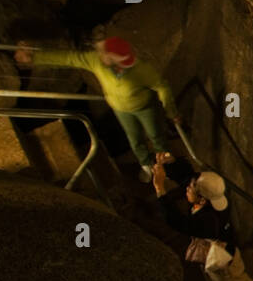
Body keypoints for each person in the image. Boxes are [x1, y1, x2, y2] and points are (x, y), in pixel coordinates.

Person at [15, 36, 180, 181]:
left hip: (144, 107)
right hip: (120, 109)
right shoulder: (97, 61)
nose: (101, 55)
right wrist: (34, 57)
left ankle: (165, 158)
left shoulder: (141, 70)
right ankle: (146, 164)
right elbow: (69, 58)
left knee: (155, 134)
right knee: (134, 138)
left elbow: (162, 87)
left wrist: (171, 112)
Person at [152, 157, 253, 281]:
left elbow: (177, 221)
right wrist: (170, 163)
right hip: (214, 258)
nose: (187, 188)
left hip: (226, 265)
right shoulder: (213, 199)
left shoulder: (208, 221)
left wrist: (159, 188)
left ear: (202, 199)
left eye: (191, 188)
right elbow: (188, 177)